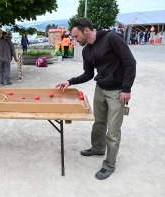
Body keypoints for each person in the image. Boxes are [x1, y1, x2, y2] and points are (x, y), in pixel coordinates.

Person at [56, 17, 136, 180]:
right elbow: (88, 74)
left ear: (86, 30)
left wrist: (126, 89)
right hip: (100, 89)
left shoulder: (112, 38)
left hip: (117, 91)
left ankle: (109, 165)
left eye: (77, 37)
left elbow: (130, 62)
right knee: (98, 122)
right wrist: (70, 81)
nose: (75, 41)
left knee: (113, 131)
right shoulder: (87, 51)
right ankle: (98, 148)